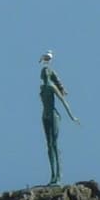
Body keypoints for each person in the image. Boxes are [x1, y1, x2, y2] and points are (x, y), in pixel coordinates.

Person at [38, 51, 79, 185]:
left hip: (54, 116)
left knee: (54, 145)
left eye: (45, 73)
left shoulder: (51, 87)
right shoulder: (42, 88)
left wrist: (72, 116)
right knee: (49, 146)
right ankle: (52, 176)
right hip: (45, 116)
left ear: (48, 75)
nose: (43, 74)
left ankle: (58, 176)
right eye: (42, 73)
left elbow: (63, 101)